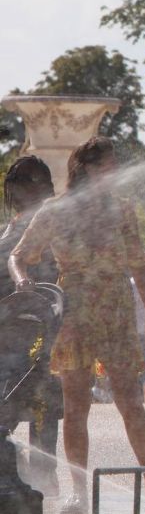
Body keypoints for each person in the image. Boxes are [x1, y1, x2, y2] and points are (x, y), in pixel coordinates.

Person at [8, 136, 145, 514]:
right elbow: (19, 255)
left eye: (114, 166)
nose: (111, 173)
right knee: (77, 404)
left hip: (115, 308)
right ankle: (79, 491)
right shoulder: (56, 210)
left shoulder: (123, 210)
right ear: (83, 168)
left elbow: (140, 265)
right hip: (75, 309)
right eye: (104, 166)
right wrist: (21, 280)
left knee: (131, 400)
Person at [0, 155, 61, 495]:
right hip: (6, 334)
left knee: (43, 401)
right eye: (33, 184)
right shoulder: (7, 233)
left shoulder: (49, 231)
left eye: (44, 184)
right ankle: (19, 469)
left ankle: (43, 476)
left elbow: (55, 284)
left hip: (38, 334)